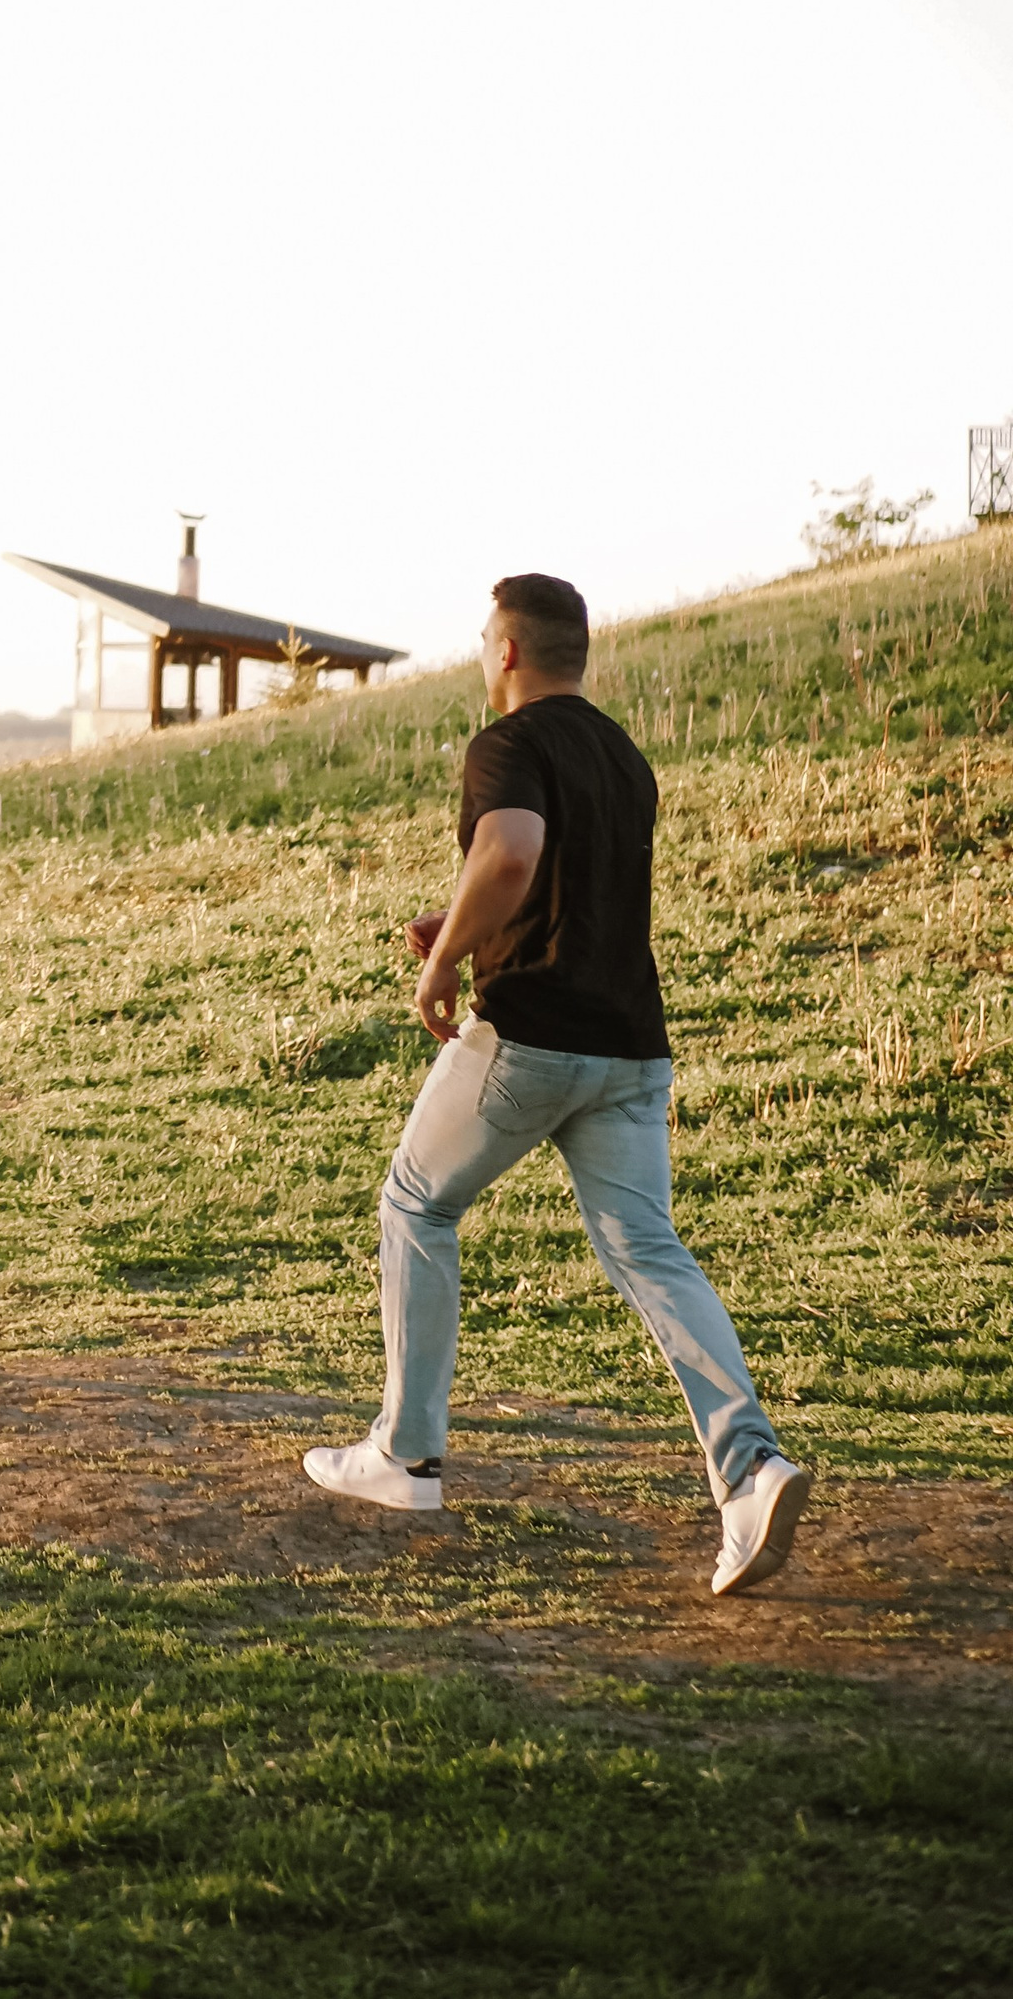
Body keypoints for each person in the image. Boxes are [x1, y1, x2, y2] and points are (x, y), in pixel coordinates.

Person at [303, 572, 811, 1600]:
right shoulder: (622, 755)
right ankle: (750, 1466)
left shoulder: (509, 743)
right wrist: (460, 925)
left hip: (531, 1033)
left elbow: (512, 850)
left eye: (485, 637)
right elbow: (553, 887)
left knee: (414, 1200)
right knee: (651, 1255)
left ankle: (404, 1457)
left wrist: (444, 963)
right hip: (630, 1045)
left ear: (506, 650)